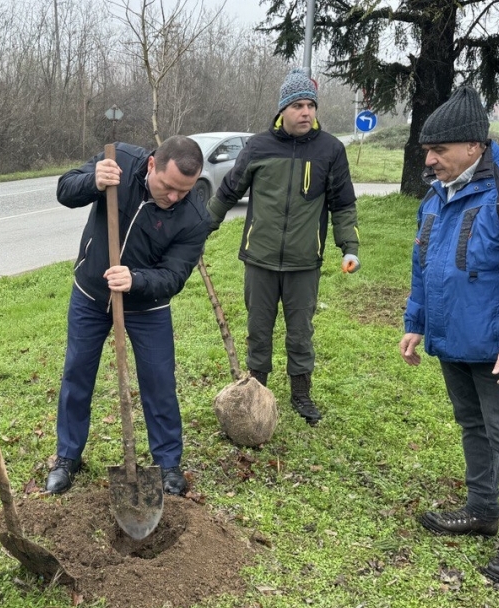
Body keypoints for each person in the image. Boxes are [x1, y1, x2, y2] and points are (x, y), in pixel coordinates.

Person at [399, 86, 499, 583]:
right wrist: (416, 322)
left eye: (438, 150)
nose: (429, 160)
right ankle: (482, 510)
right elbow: (424, 263)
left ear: (474, 145)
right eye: (428, 150)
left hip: (497, 346)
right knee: (472, 426)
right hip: (451, 339)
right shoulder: (438, 194)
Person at [45, 136, 212, 497]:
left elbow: (174, 277)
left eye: (184, 190)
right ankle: (67, 457)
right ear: (152, 165)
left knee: (159, 383)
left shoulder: (195, 217)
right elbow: (64, 190)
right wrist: (93, 181)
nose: (174, 198)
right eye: (168, 187)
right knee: (77, 374)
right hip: (90, 294)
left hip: (146, 306)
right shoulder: (118, 160)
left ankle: (167, 462)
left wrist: (135, 280)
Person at [206, 68, 360, 426]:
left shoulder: (331, 150)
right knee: (259, 329)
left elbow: (343, 204)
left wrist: (349, 247)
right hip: (259, 259)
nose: (305, 112)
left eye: (310, 105)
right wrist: (200, 230)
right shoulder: (258, 147)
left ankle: (301, 394)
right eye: (297, 105)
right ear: (282, 110)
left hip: (304, 262)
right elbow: (228, 191)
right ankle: (257, 391)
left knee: (301, 332)